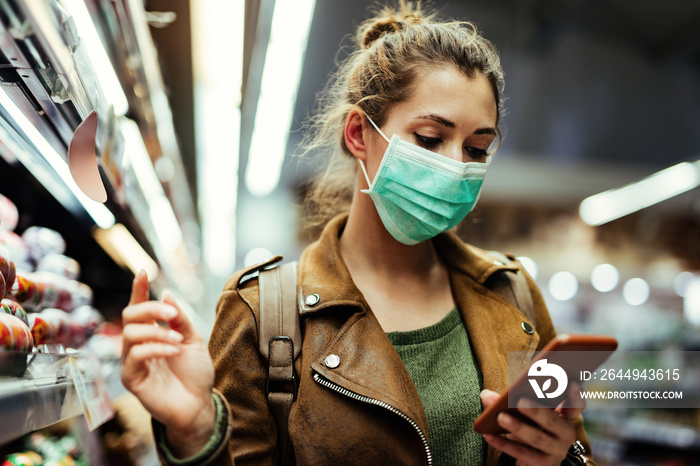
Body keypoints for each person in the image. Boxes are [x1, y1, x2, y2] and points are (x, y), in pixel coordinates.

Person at [121, 2, 595, 465]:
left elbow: (575, 448)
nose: (456, 166)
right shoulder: (263, 313)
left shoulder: (512, 295)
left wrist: (559, 458)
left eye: (476, 148)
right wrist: (196, 432)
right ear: (358, 135)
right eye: (430, 139)